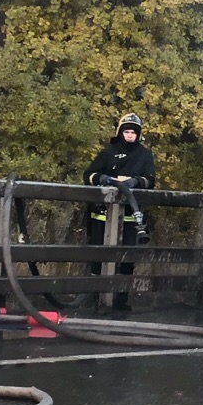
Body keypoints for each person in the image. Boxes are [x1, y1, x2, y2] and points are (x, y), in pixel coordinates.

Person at [84, 112, 156, 309]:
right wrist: (103, 179)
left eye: (134, 132)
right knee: (98, 256)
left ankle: (121, 300)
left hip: (131, 217)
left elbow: (151, 179)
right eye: (127, 131)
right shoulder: (108, 153)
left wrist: (137, 181)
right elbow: (88, 175)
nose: (130, 135)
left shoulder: (144, 154)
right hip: (102, 215)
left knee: (127, 258)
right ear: (120, 133)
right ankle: (94, 298)